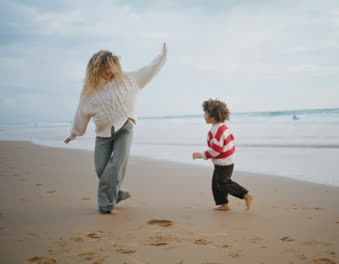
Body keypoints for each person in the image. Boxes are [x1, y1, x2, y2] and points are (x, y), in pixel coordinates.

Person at [64, 43, 168, 215]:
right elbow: (81, 113)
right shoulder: (88, 92)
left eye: (111, 68)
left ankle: (106, 206)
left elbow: (150, 69)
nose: (109, 72)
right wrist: (74, 133)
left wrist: (162, 56)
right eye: (105, 69)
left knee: (116, 165)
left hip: (125, 128)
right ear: (95, 69)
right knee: (101, 170)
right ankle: (118, 193)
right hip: (103, 134)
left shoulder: (129, 80)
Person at [192, 99, 253, 211]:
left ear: (213, 116)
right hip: (224, 160)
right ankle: (224, 204)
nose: (204, 116)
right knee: (216, 184)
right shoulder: (219, 127)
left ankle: (245, 195)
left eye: (206, 113)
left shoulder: (218, 130)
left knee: (224, 183)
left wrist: (201, 155)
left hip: (224, 162)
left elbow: (216, 150)